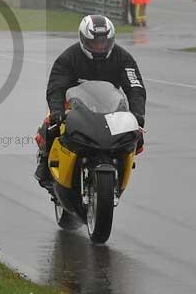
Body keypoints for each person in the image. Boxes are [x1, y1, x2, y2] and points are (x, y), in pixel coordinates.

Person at [34, 14, 146, 187]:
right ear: (83, 40)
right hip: (73, 105)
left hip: (110, 107)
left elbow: (135, 87)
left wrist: (138, 114)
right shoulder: (69, 57)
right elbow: (56, 87)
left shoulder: (123, 58)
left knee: (137, 134)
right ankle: (45, 166)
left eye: (104, 42)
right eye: (95, 43)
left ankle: (123, 166)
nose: (100, 47)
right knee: (49, 126)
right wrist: (57, 111)